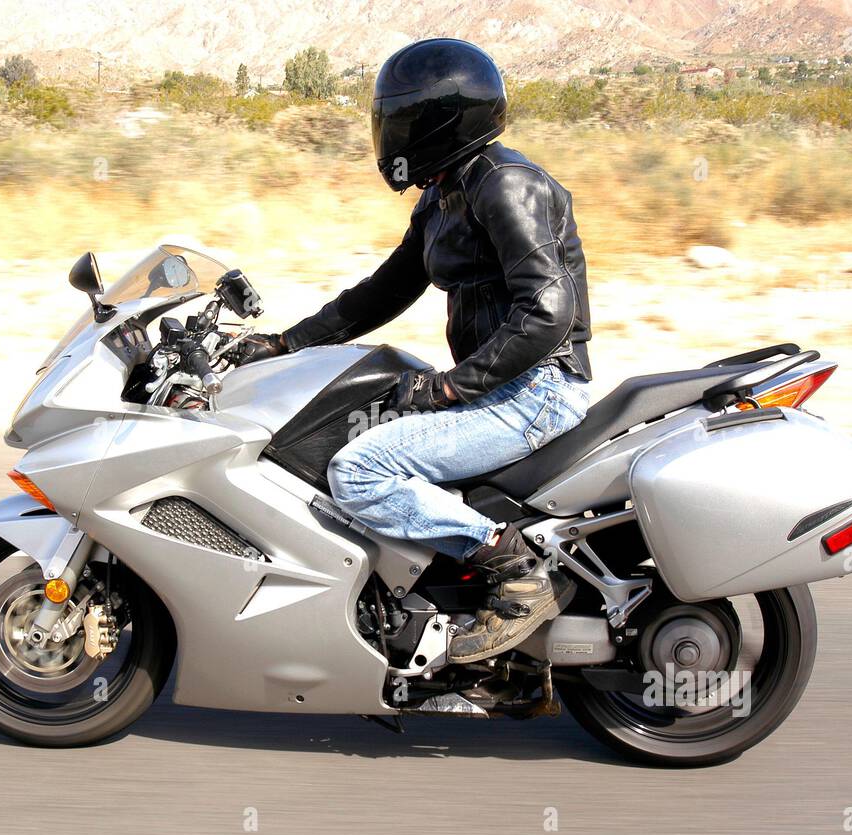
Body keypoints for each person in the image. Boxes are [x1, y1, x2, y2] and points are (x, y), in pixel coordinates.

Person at [234, 37, 593, 663]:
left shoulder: (504, 184)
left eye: (402, 121)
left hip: (535, 390)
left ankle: (512, 568)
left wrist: (453, 386)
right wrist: (285, 342)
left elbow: (547, 310)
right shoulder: (446, 192)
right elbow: (386, 289)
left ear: (441, 121)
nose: (390, 136)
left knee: (359, 470)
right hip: (501, 384)